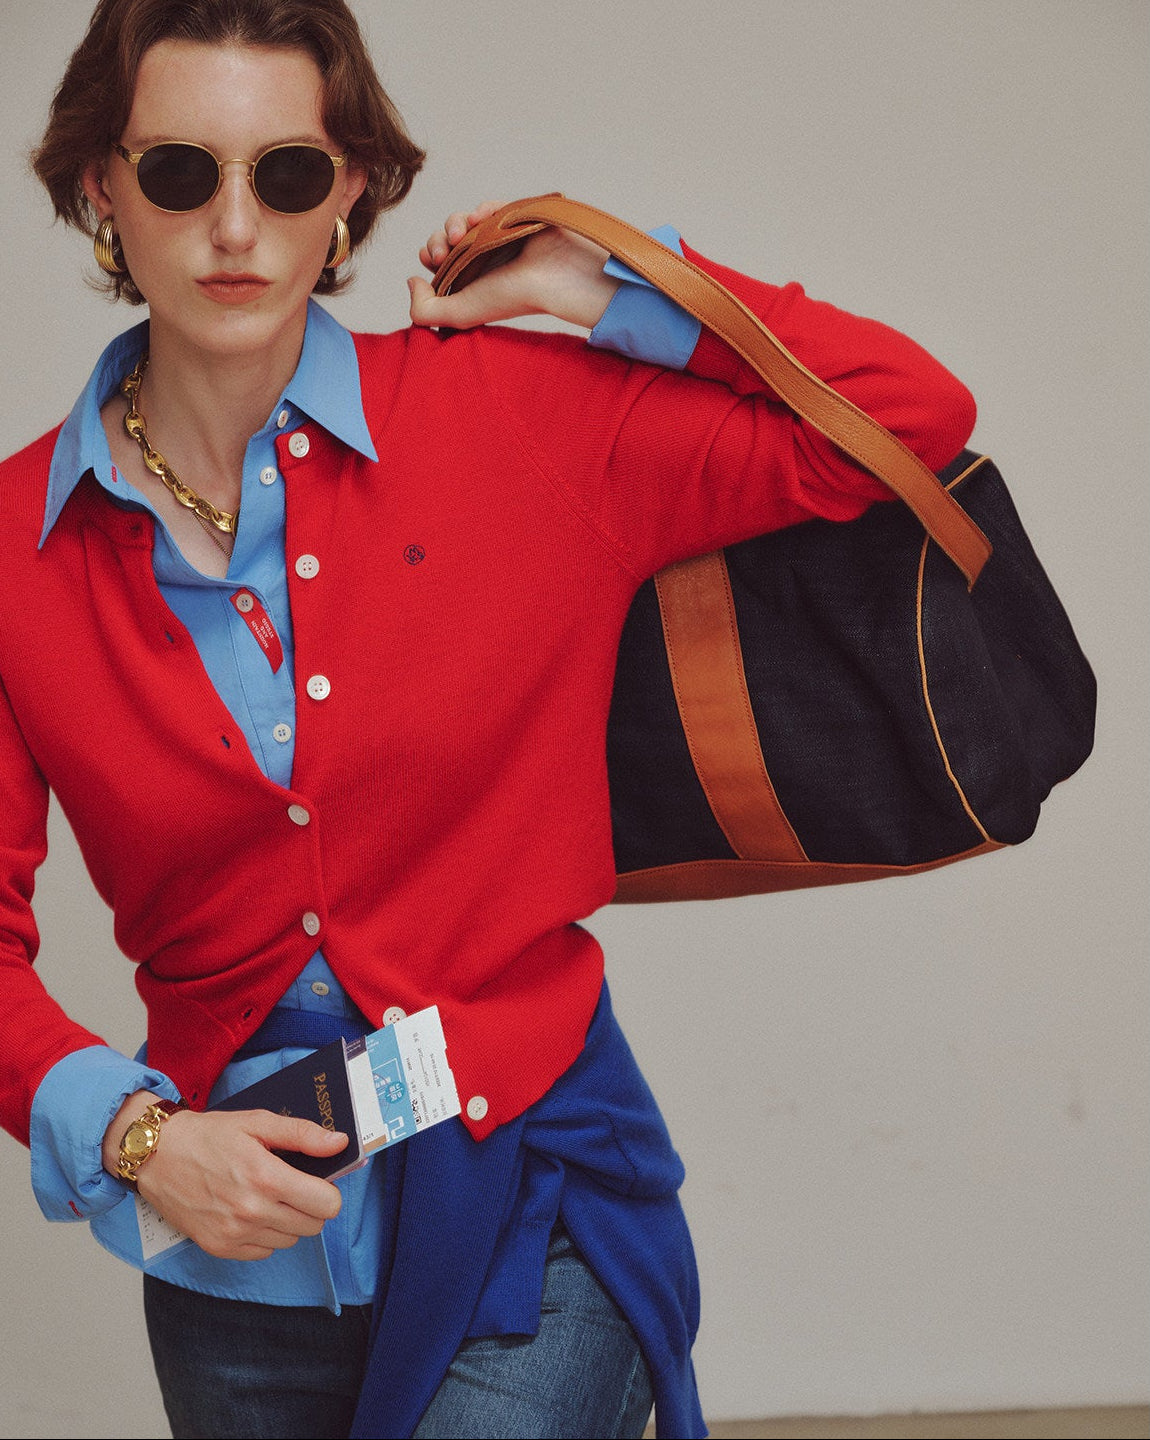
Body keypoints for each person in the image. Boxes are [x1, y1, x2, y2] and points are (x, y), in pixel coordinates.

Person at [0, 1, 977, 1436]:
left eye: (284, 174)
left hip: (536, 1197)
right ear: (101, 187)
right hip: (234, 1264)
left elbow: (910, 415)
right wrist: (137, 1140)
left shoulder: (513, 420)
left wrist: (602, 290)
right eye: (178, 173)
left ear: (345, 194)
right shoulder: (16, 547)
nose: (233, 226)